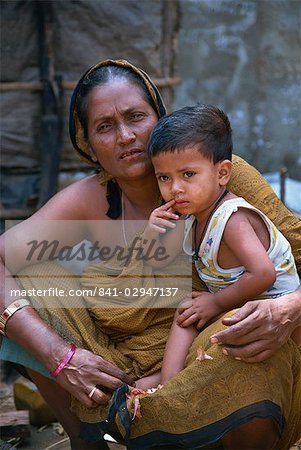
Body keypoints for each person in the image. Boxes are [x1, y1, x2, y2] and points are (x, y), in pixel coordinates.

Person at [0, 59, 300, 450]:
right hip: (122, 367)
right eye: (105, 127)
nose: (125, 136)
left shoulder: (220, 176)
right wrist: (59, 355)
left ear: (159, 118)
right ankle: (88, 441)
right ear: (89, 146)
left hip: (210, 351)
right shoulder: (90, 198)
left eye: (136, 117)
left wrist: (289, 307)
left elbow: (290, 257)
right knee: (35, 281)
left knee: (237, 338)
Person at [142, 103, 300, 385]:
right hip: (239, 303)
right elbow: (157, 264)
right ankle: (168, 390)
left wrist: (215, 302)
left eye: (188, 174)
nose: (175, 188)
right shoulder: (191, 218)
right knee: (185, 312)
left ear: (223, 173)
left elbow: (264, 274)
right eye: (164, 177)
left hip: (273, 310)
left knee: (201, 318)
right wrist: (154, 234)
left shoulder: (232, 220)